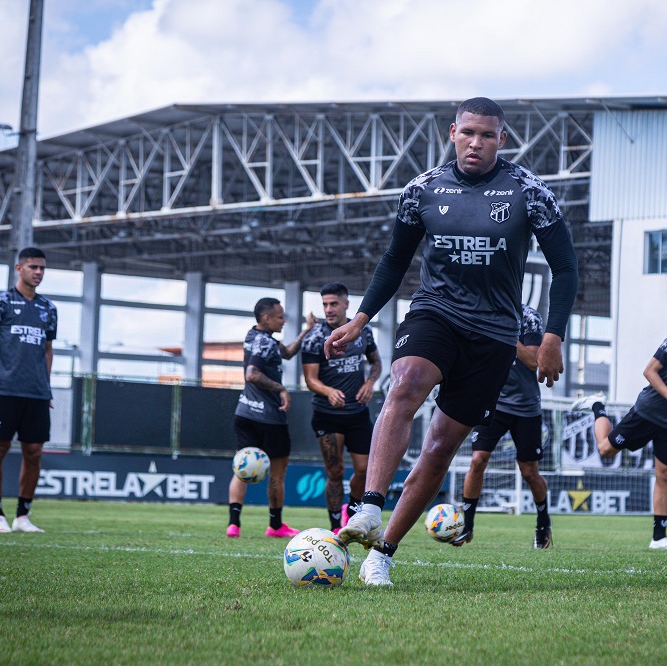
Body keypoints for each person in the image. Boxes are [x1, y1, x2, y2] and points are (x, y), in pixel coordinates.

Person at [325, 97, 579, 585]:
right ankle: (371, 506)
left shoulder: (529, 192)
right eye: (468, 133)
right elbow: (395, 261)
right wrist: (360, 319)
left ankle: (383, 554)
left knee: (440, 447)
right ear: (452, 133)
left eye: (487, 135)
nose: (476, 143)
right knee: (405, 382)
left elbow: (565, 268)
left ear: (502, 139)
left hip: (495, 335)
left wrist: (553, 336)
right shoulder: (422, 190)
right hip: (435, 313)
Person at [575, 297, 667, 550]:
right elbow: (649, 371)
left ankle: (659, 538)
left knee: (665, 474)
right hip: (647, 412)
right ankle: (597, 407)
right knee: (605, 450)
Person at [0, 247, 57, 534]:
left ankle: (23, 516)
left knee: (34, 453)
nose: (39, 273)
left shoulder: (48, 309)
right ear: (19, 268)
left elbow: (47, 350)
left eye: (42, 268)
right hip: (5, 391)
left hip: (36, 394)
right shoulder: (0, 303)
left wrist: (47, 388)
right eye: (33, 267)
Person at [456, 304, 552, 549]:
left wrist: (507, 332)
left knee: (529, 471)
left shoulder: (529, 317)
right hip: (492, 401)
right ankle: (467, 526)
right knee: (478, 460)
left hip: (526, 406)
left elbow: (533, 361)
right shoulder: (483, 309)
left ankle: (543, 524)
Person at [227, 297, 316, 539]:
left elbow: (286, 352)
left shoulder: (253, 336)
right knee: (278, 473)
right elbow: (252, 374)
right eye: (280, 316)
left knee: (241, 469)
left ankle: (233, 524)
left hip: (244, 413)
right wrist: (281, 389)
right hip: (269, 418)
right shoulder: (265, 343)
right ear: (266, 318)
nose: (284, 320)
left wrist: (306, 331)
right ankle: (275, 526)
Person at [301, 282, 382, 534]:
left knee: (364, 470)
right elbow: (310, 379)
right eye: (324, 304)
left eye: (333, 303)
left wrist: (370, 382)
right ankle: (336, 527)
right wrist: (328, 391)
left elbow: (376, 362)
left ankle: (353, 509)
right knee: (335, 471)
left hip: (357, 413)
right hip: (328, 415)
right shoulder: (314, 338)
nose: (328, 309)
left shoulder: (362, 332)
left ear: (346, 304)